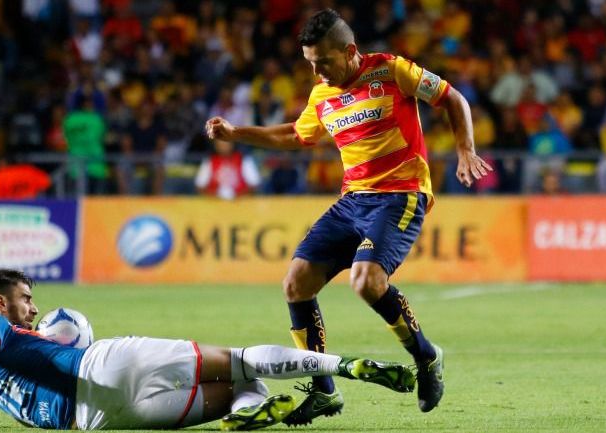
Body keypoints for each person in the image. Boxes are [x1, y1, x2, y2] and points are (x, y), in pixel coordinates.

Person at [205, 8, 492, 425]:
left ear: (350, 51)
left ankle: (426, 357)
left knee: (366, 281)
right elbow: (295, 135)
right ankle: (324, 392)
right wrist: (237, 134)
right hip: (353, 199)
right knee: (296, 283)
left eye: (323, 61)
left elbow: (452, 97)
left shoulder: (392, 70)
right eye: (310, 64)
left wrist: (465, 147)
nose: (317, 71)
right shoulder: (323, 94)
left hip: (400, 194)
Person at [0, 268, 415, 431]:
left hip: (98, 419)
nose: (33, 309)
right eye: (25, 299)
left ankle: (244, 416)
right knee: (241, 362)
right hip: (102, 363)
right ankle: (345, 365)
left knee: (243, 387)